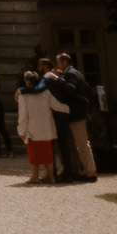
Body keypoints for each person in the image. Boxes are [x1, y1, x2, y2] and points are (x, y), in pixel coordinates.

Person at [16, 69, 69, 185]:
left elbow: (23, 116)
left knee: (33, 154)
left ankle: (35, 176)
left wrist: (21, 130)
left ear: (27, 81)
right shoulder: (46, 93)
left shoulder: (23, 95)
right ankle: (51, 177)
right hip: (46, 128)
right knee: (47, 154)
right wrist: (68, 109)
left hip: (32, 129)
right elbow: (56, 106)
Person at [52, 53, 99, 181]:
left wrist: (57, 78)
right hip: (79, 113)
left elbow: (70, 89)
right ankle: (82, 171)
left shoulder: (70, 74)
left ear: (64, 63)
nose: (57, 65)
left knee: (82, 144)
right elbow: (88, 89)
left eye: (58, 63)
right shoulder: (77, 73)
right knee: (79, 144)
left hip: (76, 114)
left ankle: (90, 172)